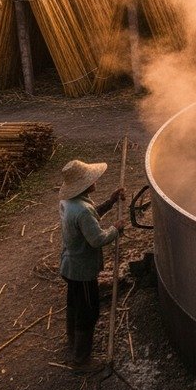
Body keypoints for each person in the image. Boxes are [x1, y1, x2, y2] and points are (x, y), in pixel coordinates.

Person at [58, 159, 125, 371]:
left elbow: (91, 218)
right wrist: (115, 229)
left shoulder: (71, 203)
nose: (96, 180)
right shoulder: (82, 210)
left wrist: (111, 201)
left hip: (70, 264)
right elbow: (96, 239)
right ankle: (81, 360)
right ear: (86, 184)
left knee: (75, 304)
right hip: (83, 270)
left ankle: (72, 341)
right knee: (88, 311)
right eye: (92, 179)